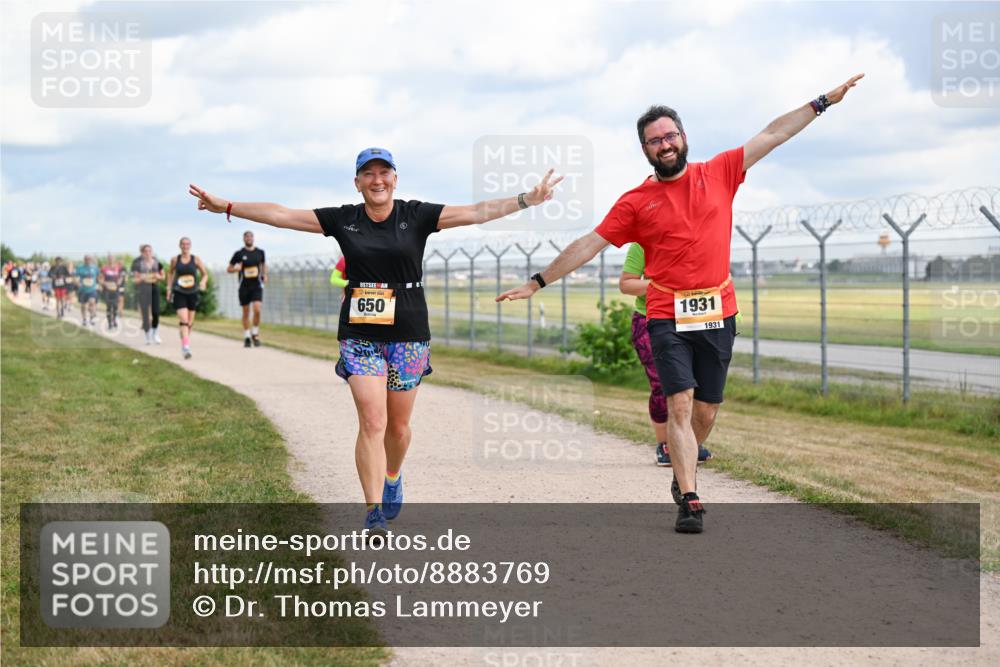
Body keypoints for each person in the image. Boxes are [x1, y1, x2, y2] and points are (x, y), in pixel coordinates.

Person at [498, 74, 863, 534]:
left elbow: (774, 133)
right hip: (666, 314)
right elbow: (589, 243)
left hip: (717, 311)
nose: (664, 145)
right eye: (654, 141)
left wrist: (823, 101)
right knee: (680, 403)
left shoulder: (722, 171)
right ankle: (689, 497)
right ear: (645, 150)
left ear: (684, 138)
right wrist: (537, 282)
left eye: (670, 136)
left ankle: (681, 467)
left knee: (706, 410)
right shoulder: (634, 202)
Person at [189, 147, 561, 536]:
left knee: (397, 429)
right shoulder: (343, 219)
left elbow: (476, 211)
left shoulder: (416, 215)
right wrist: (227, 206)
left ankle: (393, 474)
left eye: (384, 172)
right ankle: (372, 512)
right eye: (368, 173)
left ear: (395, 179)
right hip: (360, 333)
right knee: (372, 420)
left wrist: (526, 200)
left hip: (409, 333)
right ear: (357, 182)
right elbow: (282, 215)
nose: (377, 179)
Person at [620, 242, 712, 467]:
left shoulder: (700, 236)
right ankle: (665, 444)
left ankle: (688, 442)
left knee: (696, 387)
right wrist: (664, 286)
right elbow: (626, 284)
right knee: (663, 385)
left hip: (695, 318)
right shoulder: (642, 243)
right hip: (651, 319)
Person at [166, 237, 209, 359]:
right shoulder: (175, 260)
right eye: (183, 244)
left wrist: (203, 282)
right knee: (184, 320)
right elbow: (170, 273)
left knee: (189, 323)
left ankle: (184, 339)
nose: (185, 246)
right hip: (179, 292)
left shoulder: (196, 259)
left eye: (187, 244)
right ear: (180, 245)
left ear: (190, 246)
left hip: (193, 292)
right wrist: (169, 288)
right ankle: (186, 348)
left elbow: (204, 274)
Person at [228, 231, 267, 348]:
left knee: (257, 309)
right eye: (247, 237)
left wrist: (265, 275)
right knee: (246, 312)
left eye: (250, 236)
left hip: (256, 286)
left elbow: (263, 265)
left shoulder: (260, 252)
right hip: (244, 286)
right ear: (244, 239)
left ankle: (255, 333)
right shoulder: (239, 254)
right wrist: (236, 269)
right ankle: (246, 336)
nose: (249, 239)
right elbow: (229, 269)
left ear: (253, 238)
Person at [131, 244, 164, 344]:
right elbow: (135, 280)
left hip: (154, 289)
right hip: (143, 289)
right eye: (145, 251)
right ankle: (147, 336)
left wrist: (158, 276)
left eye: (149, 251)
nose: (148, 253)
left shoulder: (157, 263)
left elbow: (163, 276)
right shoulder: (138, 264)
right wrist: (143, 277)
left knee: (156, 312)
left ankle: (155, 333)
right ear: (142, 253)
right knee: (145, 314)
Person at [100, 255, 124, 329]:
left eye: (112, 259)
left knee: (115, 306)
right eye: (109, 259)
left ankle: (114, 320)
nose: (111, 260)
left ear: (114, 260)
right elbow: (100, 279)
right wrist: (104, 283)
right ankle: (109, 323)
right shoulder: (104, 268)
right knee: (109, 306)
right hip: (107, 290)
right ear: (108, 260)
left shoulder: (117, 268)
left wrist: (119, 282)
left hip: (115, 289)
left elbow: (120, 277)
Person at [75, 255, 100, 326]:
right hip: (83, 290)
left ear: (91, 260)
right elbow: (76, 277)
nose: (88, 260)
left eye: (89, 259)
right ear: (84, 260)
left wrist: (99, 284)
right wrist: (77, 283)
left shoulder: (95, 268)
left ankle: (92, 317)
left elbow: (99, 276)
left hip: (92, 289)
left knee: (92, 302)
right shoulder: (80, 268)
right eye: (86, 259)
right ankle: (84, 319)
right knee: (83, 306)